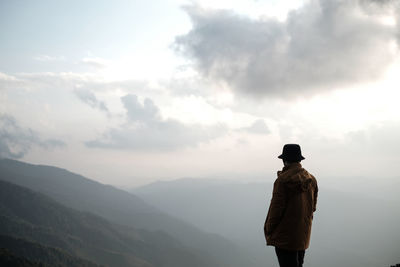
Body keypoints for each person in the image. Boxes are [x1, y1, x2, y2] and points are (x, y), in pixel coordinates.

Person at [264, 144, 318, 267]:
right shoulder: (311, 180)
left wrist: (269, 229)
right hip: (302, 235)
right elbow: (312, 207)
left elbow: (275, 210)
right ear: (300, 160)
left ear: (284, 160)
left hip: (285, 237)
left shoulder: (282, 181)